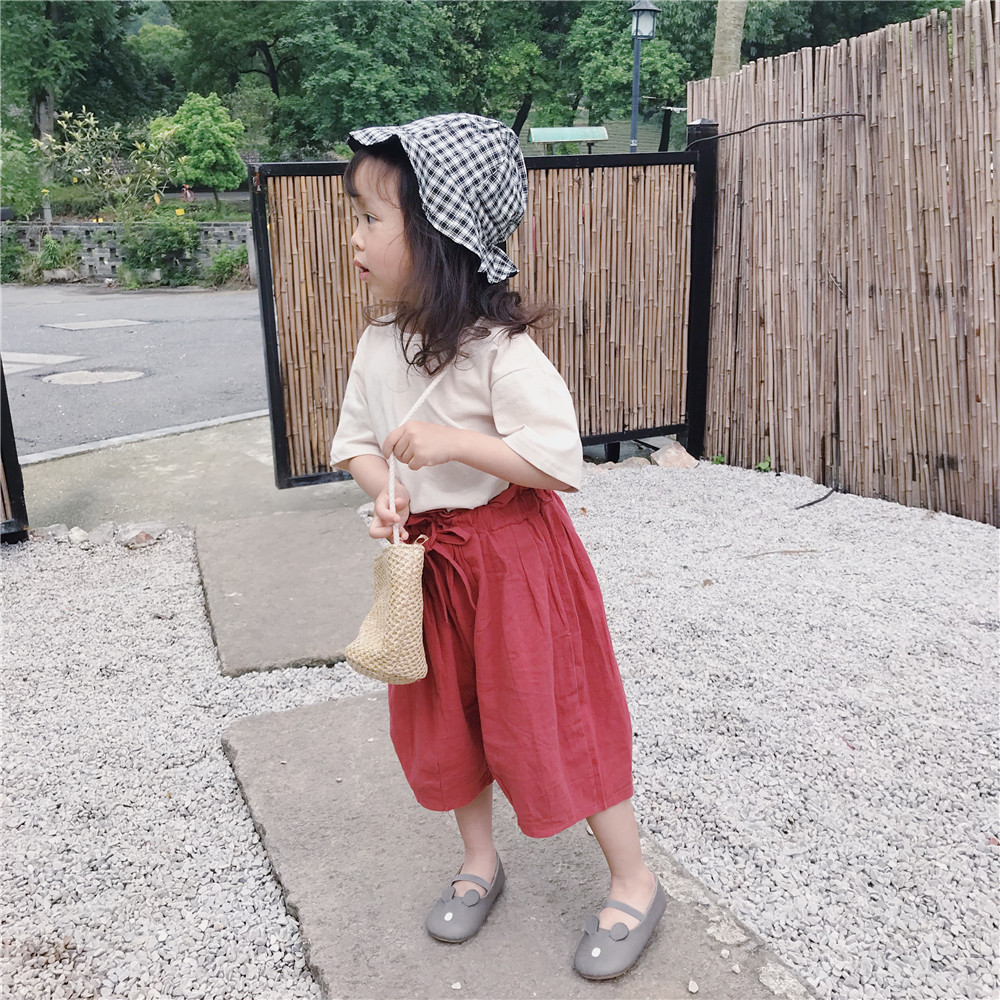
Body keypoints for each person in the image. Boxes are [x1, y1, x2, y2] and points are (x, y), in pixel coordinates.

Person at [329, 113, 665, 980]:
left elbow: (556, 462)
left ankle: (633, 879)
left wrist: (456, 444)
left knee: (554, 710)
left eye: (371, 217)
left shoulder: (501, 352)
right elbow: (356, 443)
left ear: (441, 234)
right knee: (449, 717)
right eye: (357, 216)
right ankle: (480, 862)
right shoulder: (378, 344)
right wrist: (386, 493)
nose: (353, 236)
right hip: (432, 565)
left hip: (514, 561)